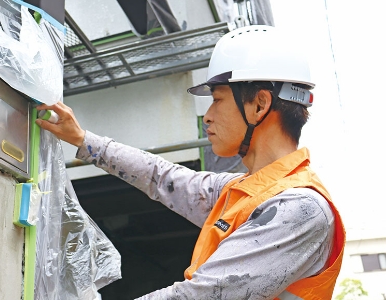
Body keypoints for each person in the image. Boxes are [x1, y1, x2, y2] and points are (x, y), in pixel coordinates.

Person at [35, 25, 345, 300]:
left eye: (218, 98)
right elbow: (161, 177)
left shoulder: (300, 209)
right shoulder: (243, 192)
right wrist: (82, 139)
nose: (208, 115)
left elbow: (201, 296)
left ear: (260, 105)